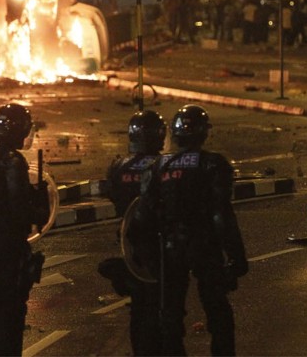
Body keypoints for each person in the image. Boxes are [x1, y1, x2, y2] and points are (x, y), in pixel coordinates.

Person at [135, 105, 247, 356]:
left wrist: (147, 258)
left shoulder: (158, 166)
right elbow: (222, 214)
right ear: (204, 133)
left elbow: (143, 216)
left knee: (171, 315)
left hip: (171, 247)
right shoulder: (213, 164)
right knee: (218, 311)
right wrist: (237, 255)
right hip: (206, 245)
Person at [0, 103, 49, 357]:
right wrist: (38, 206)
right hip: (10, 244)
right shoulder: (14, 163)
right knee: (12, 307)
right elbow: (19, 209)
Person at [105, 110, 166, 356]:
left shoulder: (118, 167)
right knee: (163, 307)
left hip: (129, 246)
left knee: (139, 308)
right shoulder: (164, 166)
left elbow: (114, 197)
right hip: (160, 245)